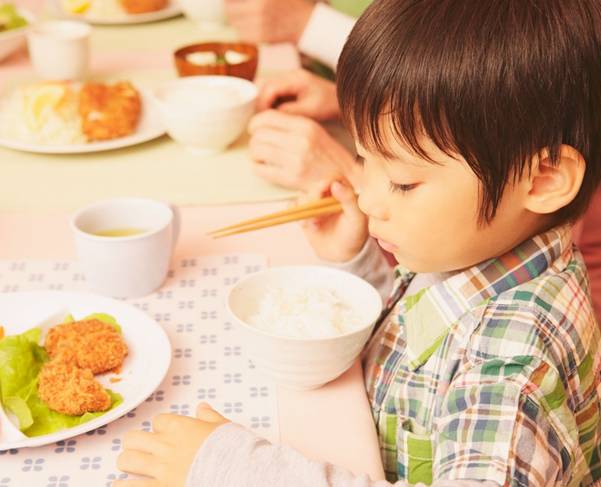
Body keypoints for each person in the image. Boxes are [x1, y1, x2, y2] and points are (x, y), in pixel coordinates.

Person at [115, 0, 601, 485]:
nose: (367, 197)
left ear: (543, 179)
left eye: (404, 183)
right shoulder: (481, 248)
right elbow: (426, 322)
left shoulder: (511, 363)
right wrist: (359, 264)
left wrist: (234, 469)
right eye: (363, 157)